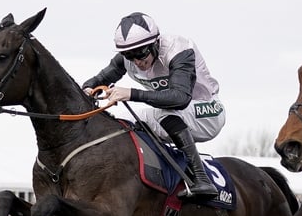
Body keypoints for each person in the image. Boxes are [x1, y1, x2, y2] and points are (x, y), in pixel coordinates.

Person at [82, 12, 224, 199]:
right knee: (121, 122)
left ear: (155, 42)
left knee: (163, 112)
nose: (137, 61)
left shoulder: (178, 49)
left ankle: (201, 179)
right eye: (128, 55)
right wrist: (86, 90)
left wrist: (131, 94)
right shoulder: (130, 58)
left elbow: (180, 98)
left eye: (140, 52)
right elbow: (99, 79)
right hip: (178, 115)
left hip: (207, 112)